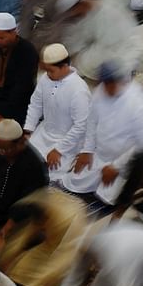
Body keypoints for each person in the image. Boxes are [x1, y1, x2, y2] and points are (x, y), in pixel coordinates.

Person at [64, 63, 143, 204]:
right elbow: (92, 121)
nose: (106, 88)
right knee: (74, 182)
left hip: (125, 164)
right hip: (100, 154)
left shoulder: (140, 103)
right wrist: (87, 150)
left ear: (121, 81)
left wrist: (116, 167)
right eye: (104, 83)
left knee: (107, 198)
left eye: (110, 84)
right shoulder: (101, 91)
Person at [22, 43, 90, 186]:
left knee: (50, 176)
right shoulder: (45, 79)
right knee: (24, 161)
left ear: (64, 66)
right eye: (46, 70)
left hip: (67, 141)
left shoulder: (79, 90)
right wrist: (28, 130)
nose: (47, 74)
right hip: (44, 133)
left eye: (51, 71)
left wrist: (59, 150)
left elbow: (81, 126)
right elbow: (35, 104)